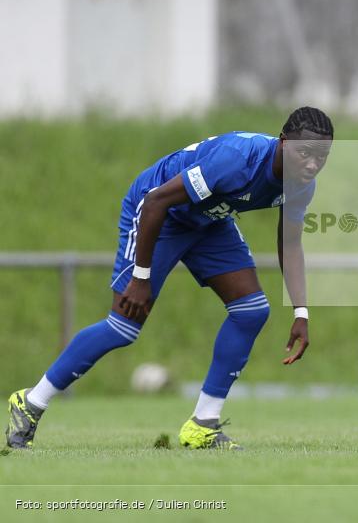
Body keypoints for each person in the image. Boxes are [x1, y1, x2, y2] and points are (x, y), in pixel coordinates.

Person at [5, 107, 333, 450]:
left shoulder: (301, 184)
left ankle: (203, 425)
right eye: (305, 153)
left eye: (322, 156)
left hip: (208, 220)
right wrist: (141, 278)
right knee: (123, 327)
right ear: (283, 142)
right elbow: (156, 201)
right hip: (159, 211)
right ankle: (30, 402)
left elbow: (290, 243)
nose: (313, 164)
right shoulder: (236, 159)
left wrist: (301, 312)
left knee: (251, 311)